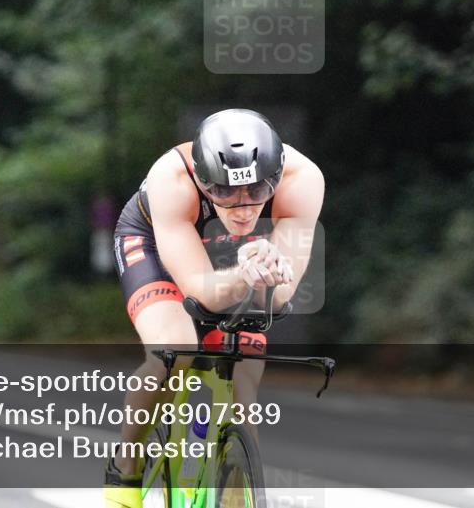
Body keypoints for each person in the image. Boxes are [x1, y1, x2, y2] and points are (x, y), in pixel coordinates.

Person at [105, 109, 324, 508]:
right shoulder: (171, 179)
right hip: (157, 243)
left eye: (257, 192)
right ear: (203, 181)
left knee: (245, 375)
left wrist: (270, 272)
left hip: (240, 255)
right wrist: (245, 273)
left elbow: (278, 297)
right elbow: (201, 292)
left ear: (275, 177)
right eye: (224, 193)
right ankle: (126, 467)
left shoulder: (303, 179)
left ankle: (236, 492)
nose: (242, 208)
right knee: (174, 351)